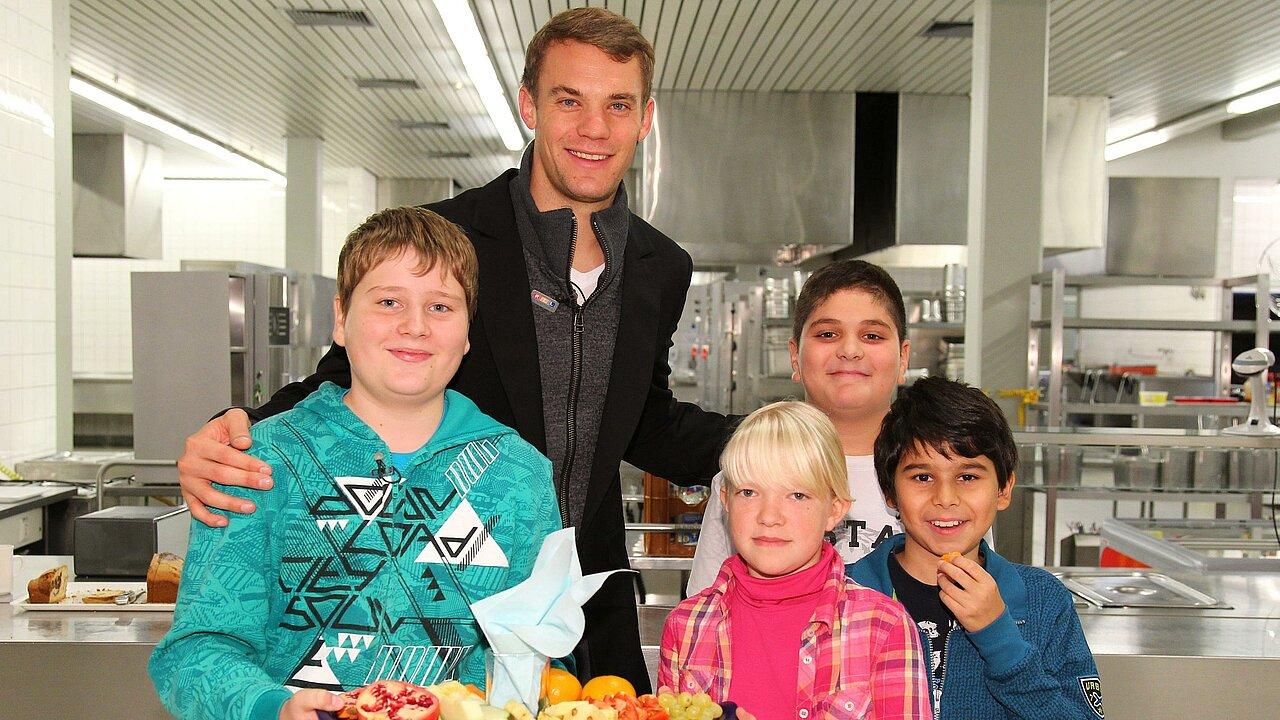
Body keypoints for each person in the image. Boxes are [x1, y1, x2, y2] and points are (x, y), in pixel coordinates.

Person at [171, 8, 730, 690]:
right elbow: (347, 376)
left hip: (585, 606)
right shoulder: (447, 236)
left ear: (645, 118)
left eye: (618, 105)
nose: (594, 129)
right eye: (568, 101)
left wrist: (796, 436)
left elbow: (644, 419)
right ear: (529, 105)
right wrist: (239, 434)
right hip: (448, 608)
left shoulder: (658, 265)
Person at [149, 207, 562, 720]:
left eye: (441, 307)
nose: (415, 327)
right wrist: (270, 707)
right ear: (341, 319)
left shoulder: (520, 477)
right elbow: (196, 652)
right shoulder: (262, 464)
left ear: (468, 333)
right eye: (389, 302)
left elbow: (540, 661)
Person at [848, 377, 1103, 719]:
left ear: (1003, 489)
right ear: (890, 492)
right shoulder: (845, 595)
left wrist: (1000, 638)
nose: (945, 498)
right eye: (922, 477)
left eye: (968, 477)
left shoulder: (1043, 602)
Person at [660, 401, 932, 720]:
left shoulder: (884, 628)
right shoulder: (686, 626)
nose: (769, 516)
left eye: (797, 495)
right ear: (726, 500)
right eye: (748, 492)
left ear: (834, 509)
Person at [688, 260, 909, 594]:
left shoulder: (941, 472)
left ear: (903, 358)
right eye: (827, 334)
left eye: (872, 335)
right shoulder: (750, 470)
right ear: (795, 355)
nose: (850, 350)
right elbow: (705, 615)